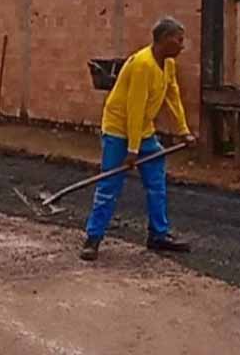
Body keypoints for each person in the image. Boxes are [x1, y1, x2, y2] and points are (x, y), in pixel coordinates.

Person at [80, 17, 198, 261]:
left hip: (142, 130)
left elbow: (172, 97)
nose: (182, 46)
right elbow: (134, 108)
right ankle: (93, 238)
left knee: (156, 182)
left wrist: (183, 130)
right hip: (118, 129)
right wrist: (132, 150)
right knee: (109, 184)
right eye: (179, 40)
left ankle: (158, 234)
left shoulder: (168, 64)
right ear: (164, 40)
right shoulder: (143, 64)